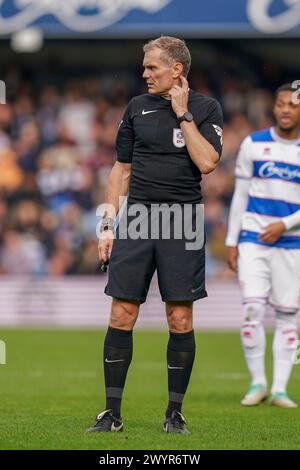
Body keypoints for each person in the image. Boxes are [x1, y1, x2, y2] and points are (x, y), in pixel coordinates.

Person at [87, 36, 223, 434]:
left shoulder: (205, 108)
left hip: (182, 222)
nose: (144, 74)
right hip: (139, 220)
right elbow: (120, 170)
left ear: (176, 69)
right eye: (145, 67)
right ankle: (111, 414)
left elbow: (208, 162)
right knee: (121, 313)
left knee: (179, 319)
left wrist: (183, 115)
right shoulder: (136, 107)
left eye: (152, 67)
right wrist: (108, 224)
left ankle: (174, 413)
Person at [226, 84, 300, 408]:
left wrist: (285, 224)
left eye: (292, 105)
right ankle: (258, 382)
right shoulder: (253, 144)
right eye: (280, 103)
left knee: (287, 315)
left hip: (291, 242)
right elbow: (240, 195)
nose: (285, 109)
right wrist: (232, 240)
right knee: (253, 308)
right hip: (253, 238)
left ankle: (280, 389)